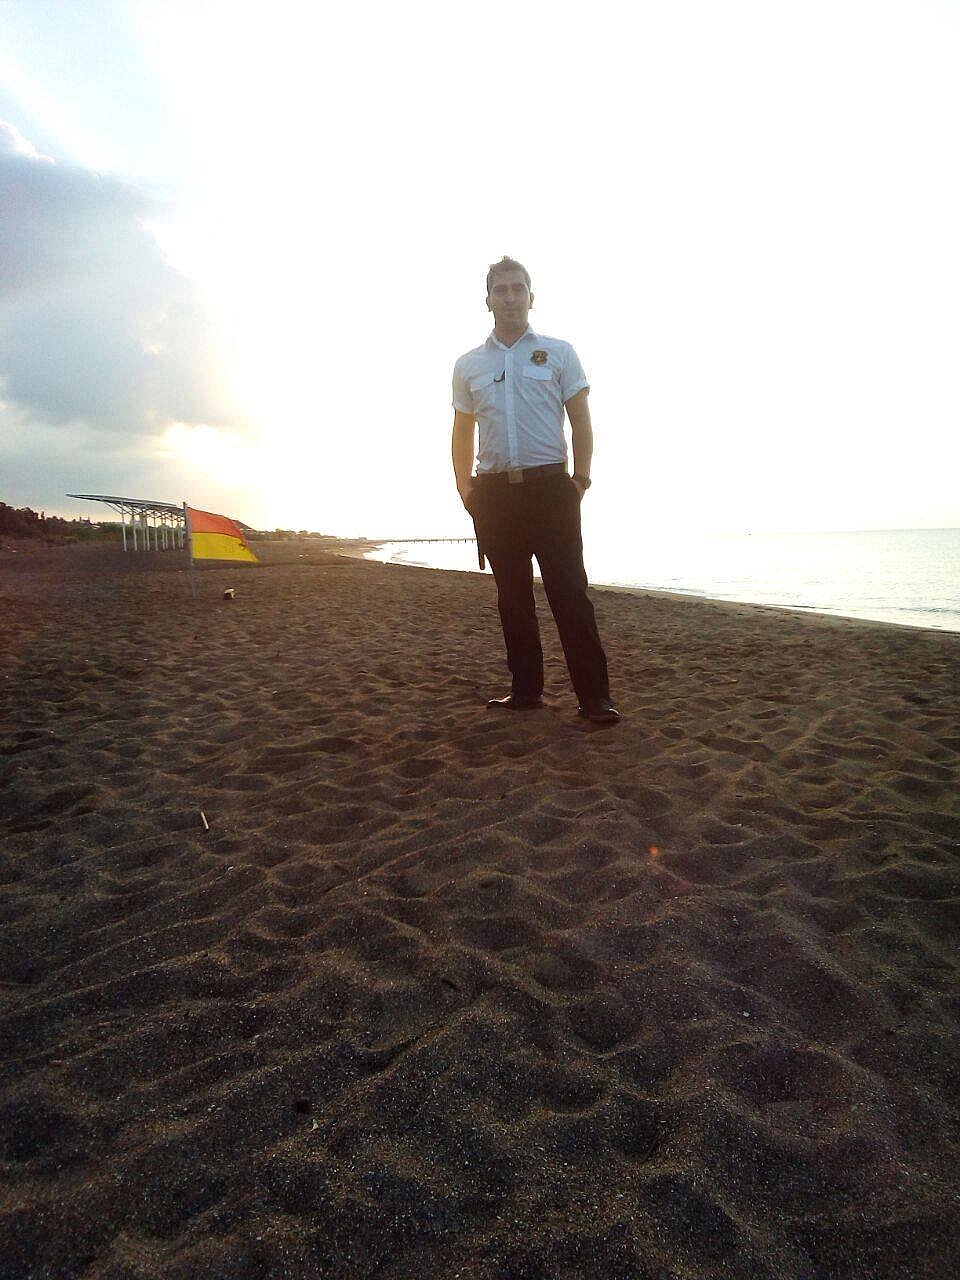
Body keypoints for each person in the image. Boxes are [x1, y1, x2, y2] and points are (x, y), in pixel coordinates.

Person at [451, 257, 620, 724]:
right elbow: (462, 431)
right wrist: (466, 489)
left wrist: (580, 480)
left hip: (551, 490)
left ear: (531, 296)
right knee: (513, 598)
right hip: (495, 495)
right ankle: (525, 691)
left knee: (569, 594)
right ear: (487, 300)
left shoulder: (559, 353)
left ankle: (595, 698)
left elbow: (581, 420)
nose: (509, 297)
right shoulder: (469, 365)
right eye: (500, 290)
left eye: (517, 289)